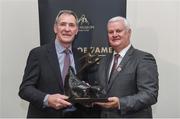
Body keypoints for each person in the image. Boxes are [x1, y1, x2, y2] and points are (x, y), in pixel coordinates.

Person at [18, 10, 86, 118]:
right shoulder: (38, 54)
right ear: (55, 28)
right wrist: (47, 99)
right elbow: (25, 89)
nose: (67, 29)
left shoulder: (81, 56)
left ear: (76, 30)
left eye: (71, 25)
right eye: (63, 24)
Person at [94, 16, 159, 118]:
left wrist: (120, 103)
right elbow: (101, 90)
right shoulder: (104, 60)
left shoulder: (143, 59)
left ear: (129, 33)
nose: (114, 35)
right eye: (111, 32)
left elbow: (150, 94)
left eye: (118, 31)